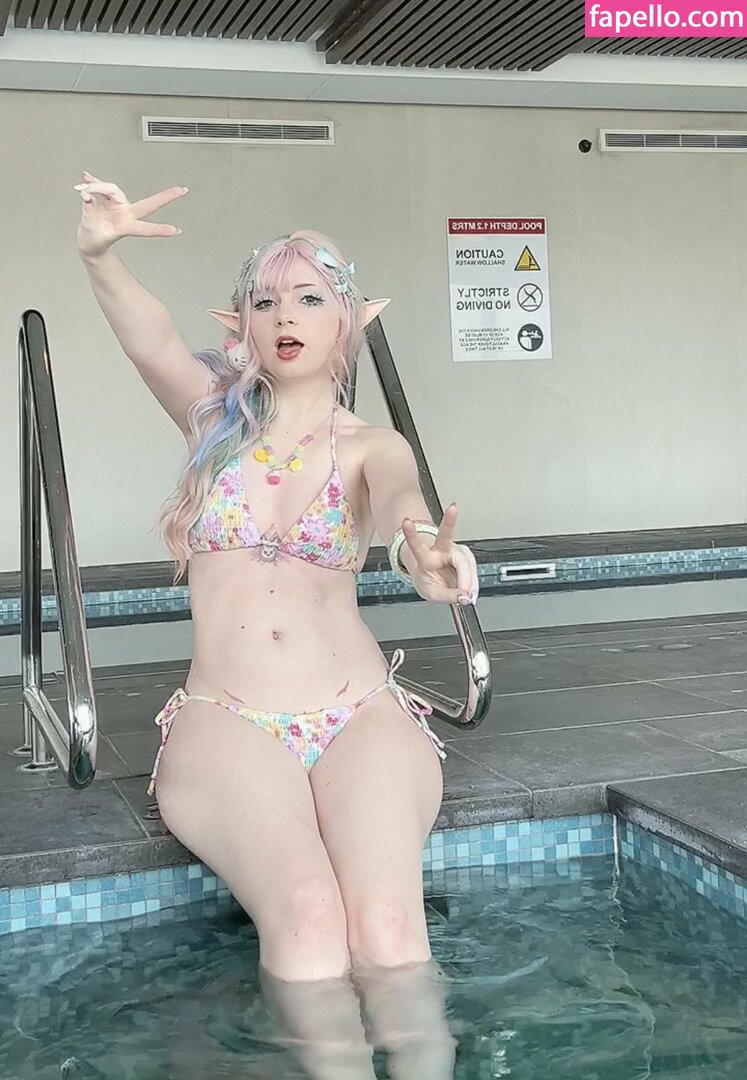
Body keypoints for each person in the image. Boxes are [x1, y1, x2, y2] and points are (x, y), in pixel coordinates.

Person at [74, 171, 479, 1078]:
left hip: (360, 713)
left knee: (388, 928)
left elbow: (405, 509)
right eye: (264, 301)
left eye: (308, 297)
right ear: (243, 326)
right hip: (230, 718)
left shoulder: (372, 446)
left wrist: (425, 556)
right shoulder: (210, 420)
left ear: (348, 321)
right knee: (306, 917)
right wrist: (99, 255)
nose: (285, 314)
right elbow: (149, 337)